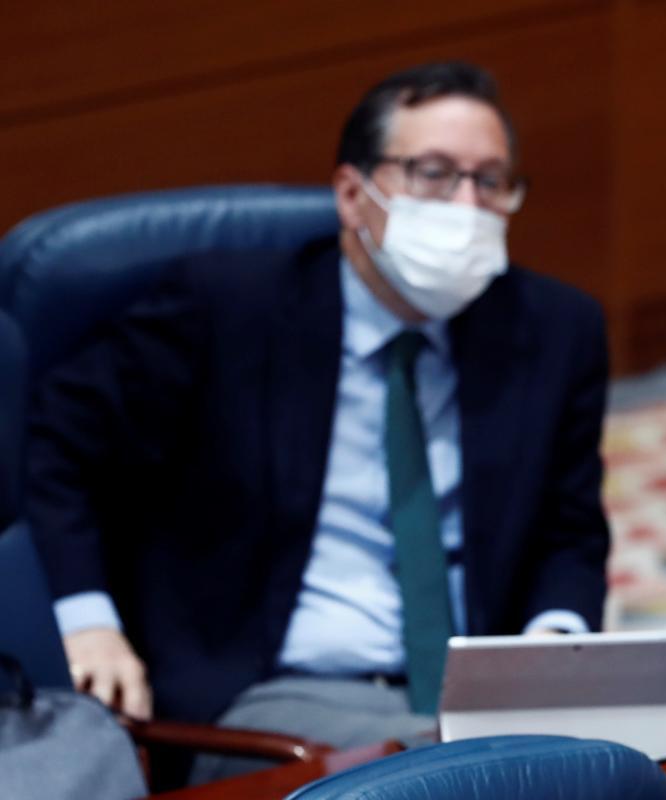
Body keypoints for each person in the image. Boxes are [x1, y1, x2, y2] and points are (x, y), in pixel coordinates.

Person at [26, 61, 611, 781]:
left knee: (649, 758)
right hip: (275, 694)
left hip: (478, 692)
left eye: (490, 181)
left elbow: (569, 529)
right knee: (472, 779)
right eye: (434, 174)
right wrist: (86, 621)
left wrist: (554, 646)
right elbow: (55, 446)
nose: (467, 206)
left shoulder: (553, 329)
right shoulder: (226, 310)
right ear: (352, 194)